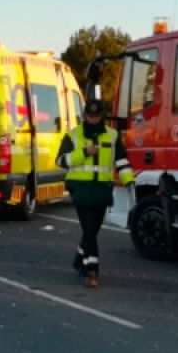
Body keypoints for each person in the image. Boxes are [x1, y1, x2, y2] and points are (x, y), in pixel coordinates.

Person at [56, 100, 134, 288]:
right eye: (90, 116)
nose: (93, 119)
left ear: (102, 116)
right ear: (84, 116)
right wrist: (84, 152)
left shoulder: (112, 135)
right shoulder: (73, 135)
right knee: (89, 229)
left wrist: (129, 181)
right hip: (80, 188)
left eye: (96, 116)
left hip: (102, 189)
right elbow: (61, 160)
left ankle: (79, 259)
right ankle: (92, 271)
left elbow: (121, 161)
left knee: (92, 230)